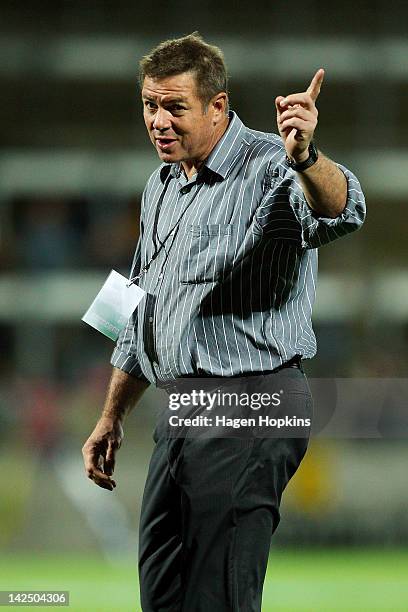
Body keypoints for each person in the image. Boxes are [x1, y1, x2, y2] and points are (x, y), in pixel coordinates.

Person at [82, 33, 366, 611]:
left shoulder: (270, 163)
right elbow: (135, 304)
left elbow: (342, 210)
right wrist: (111, 416)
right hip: (185, 405)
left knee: (219, 596)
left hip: (252, 399)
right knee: (162, 591)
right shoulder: (161, 185)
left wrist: (308, 156)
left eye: (174, 107)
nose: (158, 121)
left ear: (218, 106)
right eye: (149, 105)